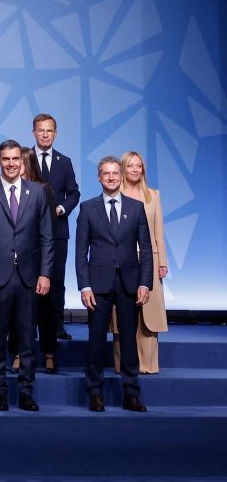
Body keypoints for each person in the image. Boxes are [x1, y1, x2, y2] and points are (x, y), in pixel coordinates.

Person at [0, 141, 53, 412]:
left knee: (28, 339)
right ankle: (0, 392)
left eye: (15, 158)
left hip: (30, 277)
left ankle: (26, 392)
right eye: (5, 159)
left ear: (22, 161)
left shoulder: (38, 193)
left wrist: (45, 273)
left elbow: (47, 238)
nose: (11, 163)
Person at [76, 156, 153, 412]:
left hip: (130, 283)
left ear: (121, 177)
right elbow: (80, 253)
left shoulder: (137, 207)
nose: (111, 177)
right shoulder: (87, 209)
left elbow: (147, 249)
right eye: (106, 173)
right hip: (97, 285)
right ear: (99, 177)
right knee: (96, 340)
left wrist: (146, 283)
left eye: (115, 173)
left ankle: (131, 393)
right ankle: (95, 393)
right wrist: (84, 286)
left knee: (129, 340)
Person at [110, 151, 168, 374]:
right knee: (122, 314)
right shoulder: (115, 194)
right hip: (122, 261)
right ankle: (124, 364)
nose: (135, 170)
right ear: (123, 169)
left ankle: (148, 364)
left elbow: (158, 232)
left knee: (149, 315)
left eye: (139, 166)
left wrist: (162, 261)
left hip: (149, 260)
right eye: (130, 166)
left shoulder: (153, 195)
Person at [32, 114, 81, 344]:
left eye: (49, 130)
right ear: (34, 132)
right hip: (29, 233)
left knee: (57, 280)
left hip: (58, 230)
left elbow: (74, 193)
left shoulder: (65, 161)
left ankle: (56, 326)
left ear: (55, 133)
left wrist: (61, 208)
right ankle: (29, 326)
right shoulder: (25, 158)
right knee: (30, 280)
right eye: (41, 130)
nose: (45, 134)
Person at [17, 146, 60, 373]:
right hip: (17, 261)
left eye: (21, 162)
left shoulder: (43, 190)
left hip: (39, 260)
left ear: (29, 164)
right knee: (19, 311)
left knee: (44, 308)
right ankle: (18, 353)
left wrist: (46, 267)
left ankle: (49, 352)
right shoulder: (6, 188)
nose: (15, 166)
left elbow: (49, 230)